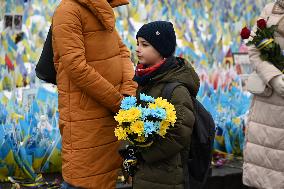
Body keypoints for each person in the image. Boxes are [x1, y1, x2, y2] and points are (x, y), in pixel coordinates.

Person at [51, 0, 137, 188]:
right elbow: (76, 67)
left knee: (104, 179)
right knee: (84, 179)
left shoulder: (101, 9)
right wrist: (119, 103)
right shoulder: (68, 11)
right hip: (86, 119)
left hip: (109, 116)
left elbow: (123, 53)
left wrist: (128, 94)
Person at [122, 21, 200, 189]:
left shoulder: (175, 88)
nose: (137, 49)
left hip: (167, 175)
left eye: (145, 44)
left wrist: (144, 153)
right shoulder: (147, 80)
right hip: (145, 171)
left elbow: (179, 133)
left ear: (162, 49)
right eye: (137, 44)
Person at [243, 1, 284, 189]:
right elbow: (254, 47)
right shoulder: (272, 8)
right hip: (268, 106)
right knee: (266, 175)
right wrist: (273, 77)